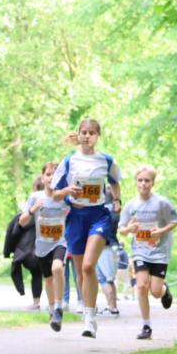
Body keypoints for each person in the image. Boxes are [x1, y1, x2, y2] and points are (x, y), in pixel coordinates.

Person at [49, 119, 122, 338]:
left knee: (89, 266)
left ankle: (90, 319)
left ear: (98, 135)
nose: (88, 136)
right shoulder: (69, 161)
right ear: (79, 135)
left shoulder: (106, 160)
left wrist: (117, 201)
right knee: (81, 272)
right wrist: (67, 191)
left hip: (98, 216)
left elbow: (116, 182)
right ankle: (87, 311)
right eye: (84, 132)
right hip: (76, 217)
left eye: (92, 133)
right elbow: (53, 193)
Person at [118, 166, 177, 340]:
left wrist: (161, 231)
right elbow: (122, 229)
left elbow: (176, 220)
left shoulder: (161, 203)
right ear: (136, 182)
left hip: (160, 251)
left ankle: (164, 290)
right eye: (140, 180)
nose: (143, 184)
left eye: (147, 180)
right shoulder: (131, 205)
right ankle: (146, 326)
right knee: (141, 286)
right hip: (140, 251)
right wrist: (129, 228)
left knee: (155, 291)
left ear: (153, 183)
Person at [19, 163, 70, 331]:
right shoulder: (35, 197)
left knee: (57, 269)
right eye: (48, 174)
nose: (51, 177)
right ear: (43, 178)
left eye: (55, 175)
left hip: (59, 242)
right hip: (42, 245)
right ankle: (52, 310)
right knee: (48, 279)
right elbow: (22, 222)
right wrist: (33, 210)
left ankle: (59, 307)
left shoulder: (64, 198)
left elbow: (76, 212)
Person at [5, 176, 45, 310]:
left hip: (28, 250)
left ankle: (37, 302)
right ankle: (56, 302)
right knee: (50, 273)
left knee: (37, 274)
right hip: (46, 246)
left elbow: (17, 229)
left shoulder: (29, 209)